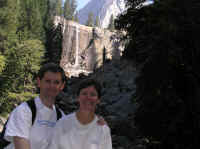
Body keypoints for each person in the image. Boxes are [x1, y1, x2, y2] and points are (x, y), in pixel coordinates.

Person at [3, 63, 106, 149]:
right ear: (39, 82)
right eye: (48, 81)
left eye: (56, 82)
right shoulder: (24, 111)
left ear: (62, 86)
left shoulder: (60, 117)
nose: (52, 86)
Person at [48, 79, 112, 149]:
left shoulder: (103, 130)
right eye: (84, 93)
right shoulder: (62, 124)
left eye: (92, 94)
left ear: (98, 100)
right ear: (78, 97)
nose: (88, 97)